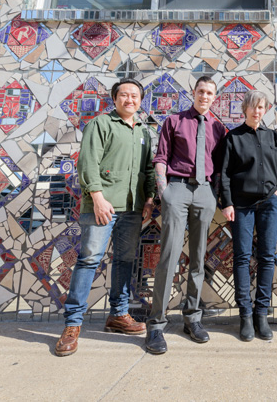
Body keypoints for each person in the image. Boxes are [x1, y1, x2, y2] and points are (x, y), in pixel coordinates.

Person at [55, 78, 155, 357]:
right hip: (102, 206)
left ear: (140, 100)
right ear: (115, 99)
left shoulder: (144, 132)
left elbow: (148, 168)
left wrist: (149, 198)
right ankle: (73, 324)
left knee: (125, 260)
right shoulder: (100, 124)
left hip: (132, 208)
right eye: (124, 95)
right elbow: (88, 161)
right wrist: (97, 197)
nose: (130, 100)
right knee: (89, 260)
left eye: (135, 95)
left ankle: (118, 314)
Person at [145, 76, 226, 355]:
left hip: (204, 192)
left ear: (214, 97)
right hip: (177, 189)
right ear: (193, 93)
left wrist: (215, 194)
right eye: (201, 91)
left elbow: (220, 167)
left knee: (199, 256)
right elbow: (161, 157)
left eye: (210, 93)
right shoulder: (174, 121)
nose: (205, 96)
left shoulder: (218, 127)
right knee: (168, 255)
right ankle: (156, 324)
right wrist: (164, 191)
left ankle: (192, 318)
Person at [219, 90, 277, 341]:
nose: (256, 111)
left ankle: (261, 314)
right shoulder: (233, 138)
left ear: (265, 109)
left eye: (261, 107)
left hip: (270, 203)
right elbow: (224, 173)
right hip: (241, 205)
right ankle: (245, 315)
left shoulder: (273, 137)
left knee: (267, 257)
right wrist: (226, 202)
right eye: (252, 106)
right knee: (242, 257)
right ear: (245, 108)